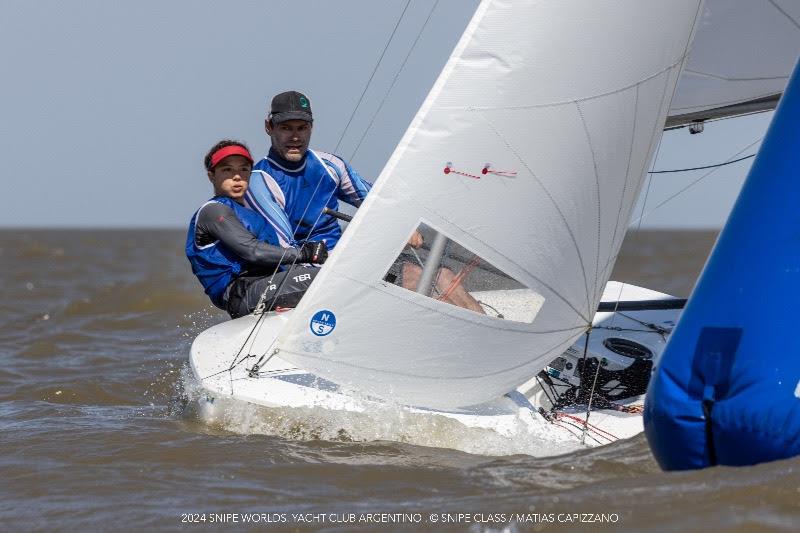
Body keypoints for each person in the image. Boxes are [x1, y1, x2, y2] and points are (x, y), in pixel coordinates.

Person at [246, 91, 484, 314]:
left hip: (346, 262)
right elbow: (286, 253)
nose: (295, 137)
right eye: (286, 128)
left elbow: (378, 202)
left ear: (311, 128)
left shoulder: (330, 166)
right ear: (269, 127)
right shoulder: (261, 181)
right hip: (305, 274)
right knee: (413, 278)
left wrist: (404, 225)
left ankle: (490, 344)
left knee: (440, 275)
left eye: (302, 128)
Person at [185, 140, 328, 318]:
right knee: (330, 279)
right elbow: (252, 251)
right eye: (227, 170)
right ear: (211, 176)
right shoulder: (214, 211)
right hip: (242, 293)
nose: (237, 176)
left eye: (243, 169)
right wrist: (303, 254)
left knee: (334, 274)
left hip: (264, 286)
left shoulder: (248, 212)